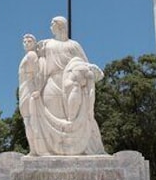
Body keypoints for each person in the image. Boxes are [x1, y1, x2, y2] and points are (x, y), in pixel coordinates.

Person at [18, 17, 106, 156]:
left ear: (61, 26)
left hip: (72, 84)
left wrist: (92, 69)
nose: (50, 26)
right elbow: (38, 62)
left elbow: (84, 64)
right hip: (51, 85)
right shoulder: (47, 44)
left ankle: (89, 148)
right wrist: (37, 88)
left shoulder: (74, 45)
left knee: (78, 118)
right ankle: (50, 150)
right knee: (50, 121)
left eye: (53, 23)